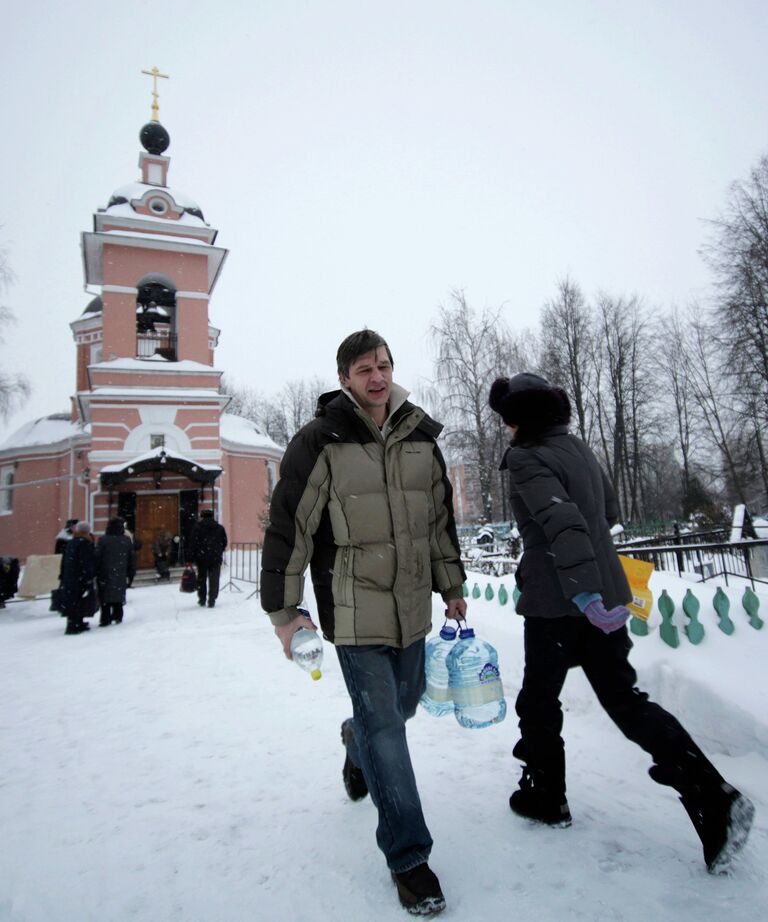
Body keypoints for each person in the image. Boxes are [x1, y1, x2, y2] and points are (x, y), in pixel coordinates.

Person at [489, 372, 755, 874]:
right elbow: (606, 512)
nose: (505, 429)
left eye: (506, 420)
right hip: (605, 595)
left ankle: (547, 795)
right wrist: (595, 584)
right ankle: (713, 796)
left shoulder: (527, 456)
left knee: (538, 702)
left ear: (515, 418)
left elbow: (561, 522)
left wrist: (580, 589)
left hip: (558, 603)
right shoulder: (578, 448)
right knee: (626, 701)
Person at [261, 329, 466, 917]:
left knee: (401, 707)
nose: (375, 377)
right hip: (353, 610)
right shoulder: (320, 441)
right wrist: (286, 612)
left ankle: (354, 744)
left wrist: (450, 586)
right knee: (389, 730)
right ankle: (410, 859)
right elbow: (290, 530)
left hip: (412, 610)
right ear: (345, 379)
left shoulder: (421, 437)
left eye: (382, 365)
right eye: (361, 369)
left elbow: (437, 522)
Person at [95, 517, 136, 626]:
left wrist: (96, 570)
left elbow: (97, 557)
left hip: (104, 573)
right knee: (118, 595)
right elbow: (131, 558)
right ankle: (118, 615)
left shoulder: (103, 540)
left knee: (105, 597)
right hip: (121, 573)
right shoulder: (126, 540)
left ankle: (105, 618)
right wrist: (131, 573)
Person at [59, 520, 96, 635]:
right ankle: (75, 625)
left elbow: (64, 561)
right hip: (79, 577)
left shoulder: (71, 542)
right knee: (79, 600)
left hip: (70, 577)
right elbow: (87, 562)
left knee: (73, 600)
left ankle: (74, 622)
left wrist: (62, 575)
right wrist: (89, 577)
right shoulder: (85, 543)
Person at [190, 509, 228, 607]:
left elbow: (193, 543)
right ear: (212, 516)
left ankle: (202, 598)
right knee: (214, 579)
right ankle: (212, 599)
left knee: (202, 578)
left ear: (202, 516)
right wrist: (218, 550)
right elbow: (224, 542)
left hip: (201, 558)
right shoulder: (219, 528)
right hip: (215, 557)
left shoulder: (197, 528)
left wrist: (194, 555)